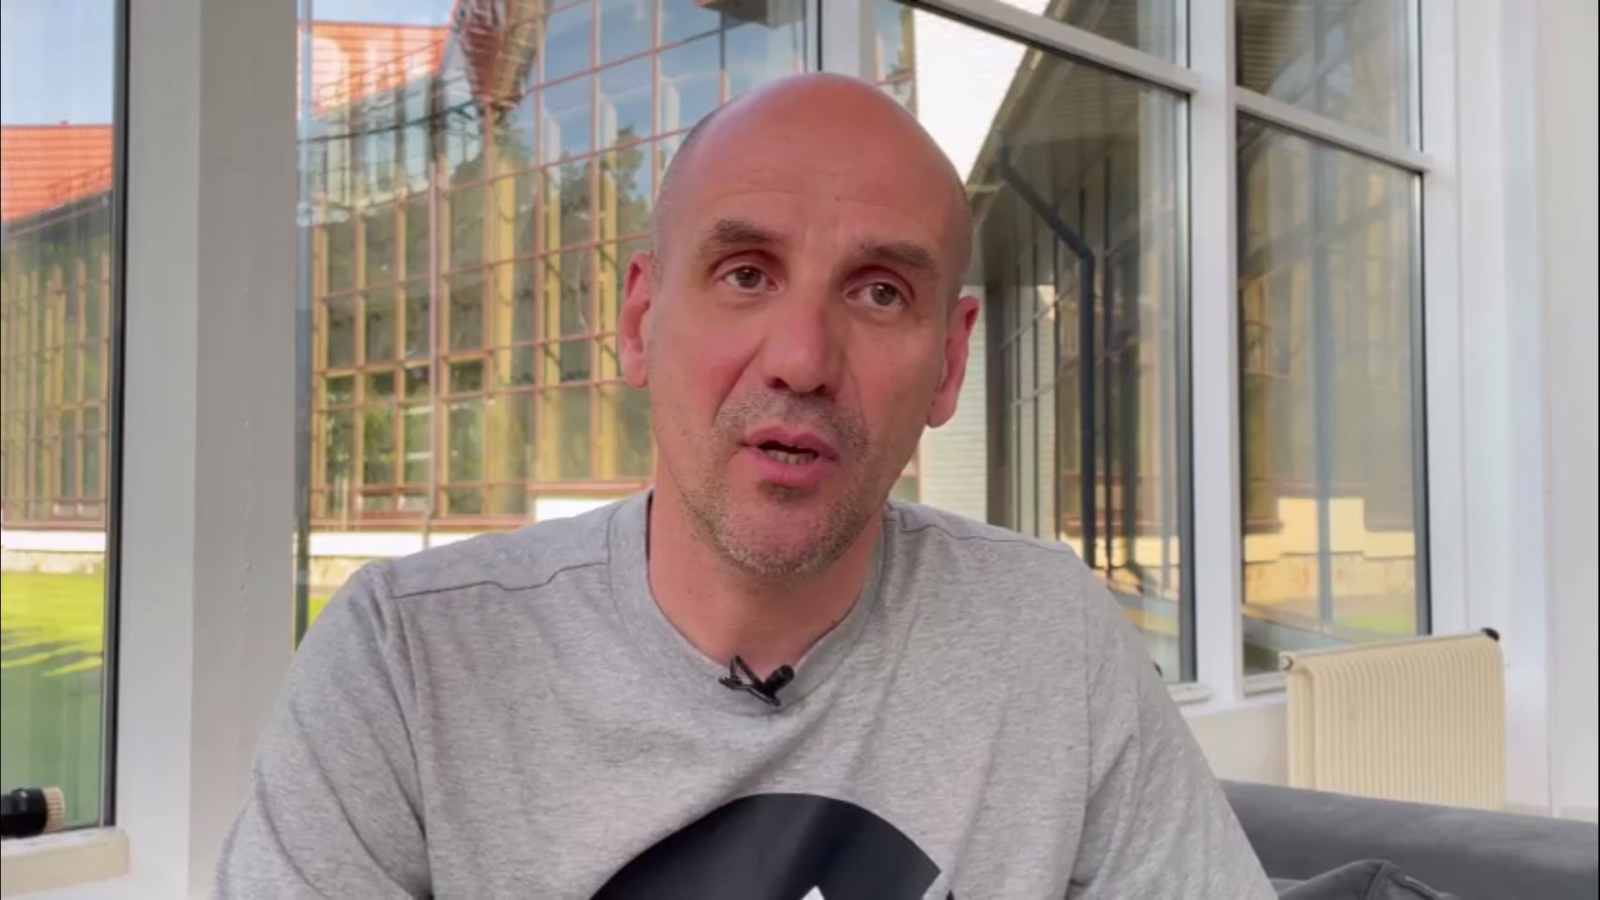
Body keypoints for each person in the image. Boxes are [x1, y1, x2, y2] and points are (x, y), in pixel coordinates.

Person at [216, 73, 1274, 899]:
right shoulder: (408, 664)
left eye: (879, 292)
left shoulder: (1051, 641)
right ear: (641, 322)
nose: (802, 359)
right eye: (746, 275)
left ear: (950, 363)